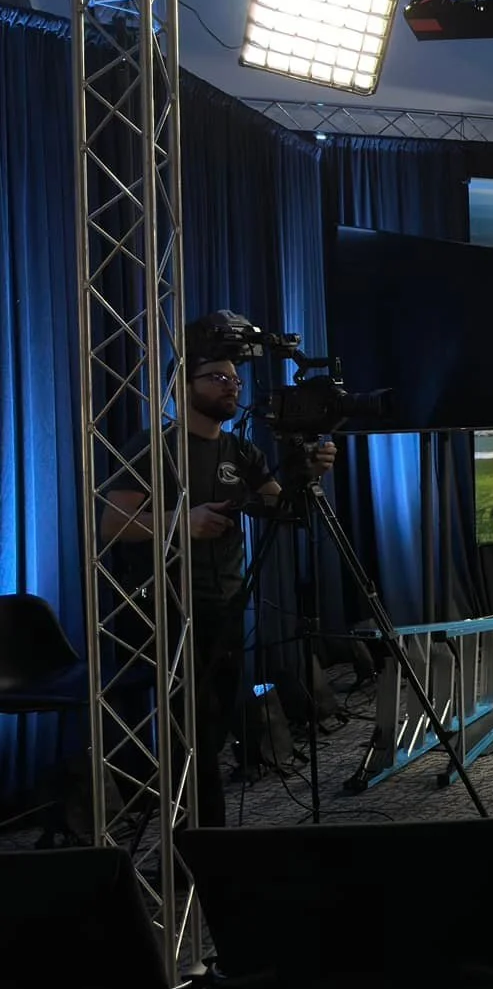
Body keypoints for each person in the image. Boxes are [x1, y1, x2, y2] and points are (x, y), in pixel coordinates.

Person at [100, 345, 337, 829]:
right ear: (182, 388)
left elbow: (282, 510)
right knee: (191, 731)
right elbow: (112, 524)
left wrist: (305, 474)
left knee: (212, 728)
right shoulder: (154, 445)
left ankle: (208, 837)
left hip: (227, 606)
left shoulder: (241, 451)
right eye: (217, 378)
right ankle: (201, 839)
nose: (232, 387)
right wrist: (179, 521)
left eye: (235, 381)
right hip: (166, 609)